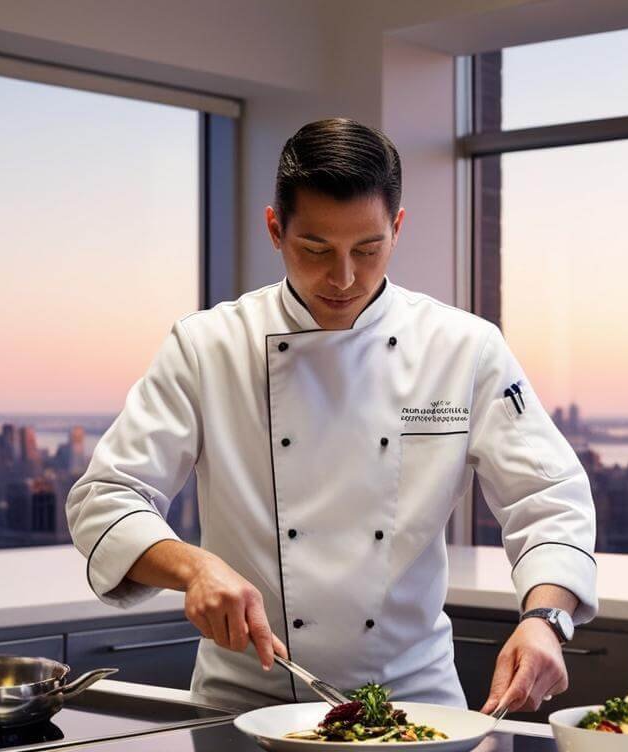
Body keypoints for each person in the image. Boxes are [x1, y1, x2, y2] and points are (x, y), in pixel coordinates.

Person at [66, 117, 597, 714]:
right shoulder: (208, 346)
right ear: (275, 229)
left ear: (397, 229)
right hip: (243, 706)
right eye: (314, 249)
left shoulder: (463, 348)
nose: (343, 278)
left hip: (414, 706)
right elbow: (105, 498)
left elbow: (548, 496)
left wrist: (546, 619)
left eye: (366, 250)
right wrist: (194, 567)